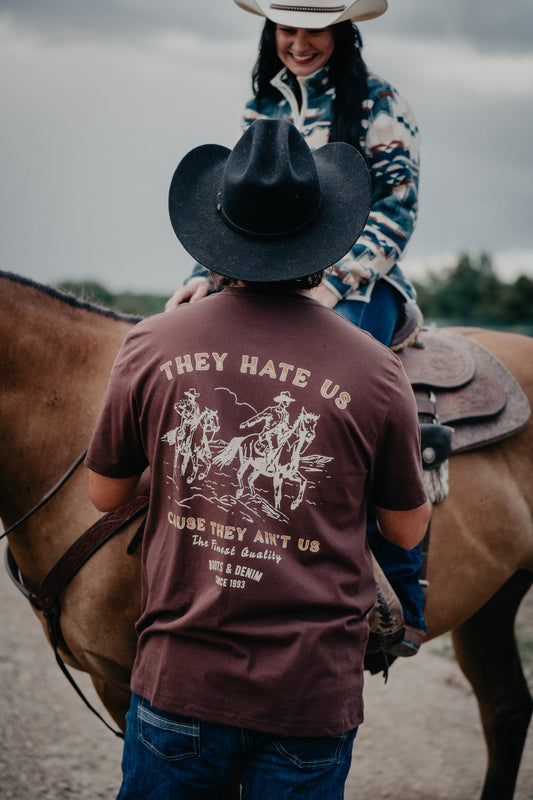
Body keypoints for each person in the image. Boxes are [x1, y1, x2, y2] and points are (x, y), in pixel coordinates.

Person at [86, 119, 431, 799]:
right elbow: (405, 528)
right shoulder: (375, 368)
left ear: (216, 235)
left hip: (179, 682)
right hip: (309, 699)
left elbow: (105, 495)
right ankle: (404, 610)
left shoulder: (150, 343)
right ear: (324, 238)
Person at [166, 0, 427, 655]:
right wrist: (203, 274)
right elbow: (236, 204)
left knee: (356, 388)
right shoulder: (267, 103)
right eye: (287, 27)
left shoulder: (379, 103)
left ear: (341, 32)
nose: (299, 42)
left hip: (359, 282)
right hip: (269, 274)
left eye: (315, 29)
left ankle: (398, 590)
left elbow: (395, 212)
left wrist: (330, 284)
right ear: (271, 31)